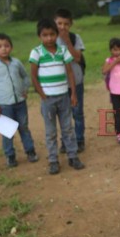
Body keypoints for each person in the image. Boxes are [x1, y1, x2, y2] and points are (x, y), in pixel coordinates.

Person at [29, 18, 85, 175]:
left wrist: (73, 93)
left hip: (64, 97)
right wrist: (43, 96)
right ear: (39, 36)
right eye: (45, 35)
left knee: (68, 128)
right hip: (48, 100)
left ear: (56, 34)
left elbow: (69, 72)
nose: (49, 38)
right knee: (51, 131)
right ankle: (53, 160)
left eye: (52, 34)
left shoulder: (62, 50)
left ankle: (73, 156)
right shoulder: (36, 52)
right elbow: (33, 76)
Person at [0, 33, 39, 168]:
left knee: (24, 127)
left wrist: (25, 89)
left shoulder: (16, 63)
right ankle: (10, 155)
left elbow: (25, 77)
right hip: (4, 105)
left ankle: (30, 151)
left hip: (20, 102)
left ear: (11, 48)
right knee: (7, 131)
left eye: (7, 46)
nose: (4, 49)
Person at [54, 8, 86, 153]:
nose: (62, 27)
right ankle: (65, 141)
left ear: (70, 24)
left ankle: (79, 140)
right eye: (59, 23)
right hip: (59, 84)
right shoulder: (51, 39)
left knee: (77, 112)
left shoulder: (75, 38)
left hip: (76, 81)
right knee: (62, 114)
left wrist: (67, 41)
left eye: (66, 24)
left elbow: (77, 57)